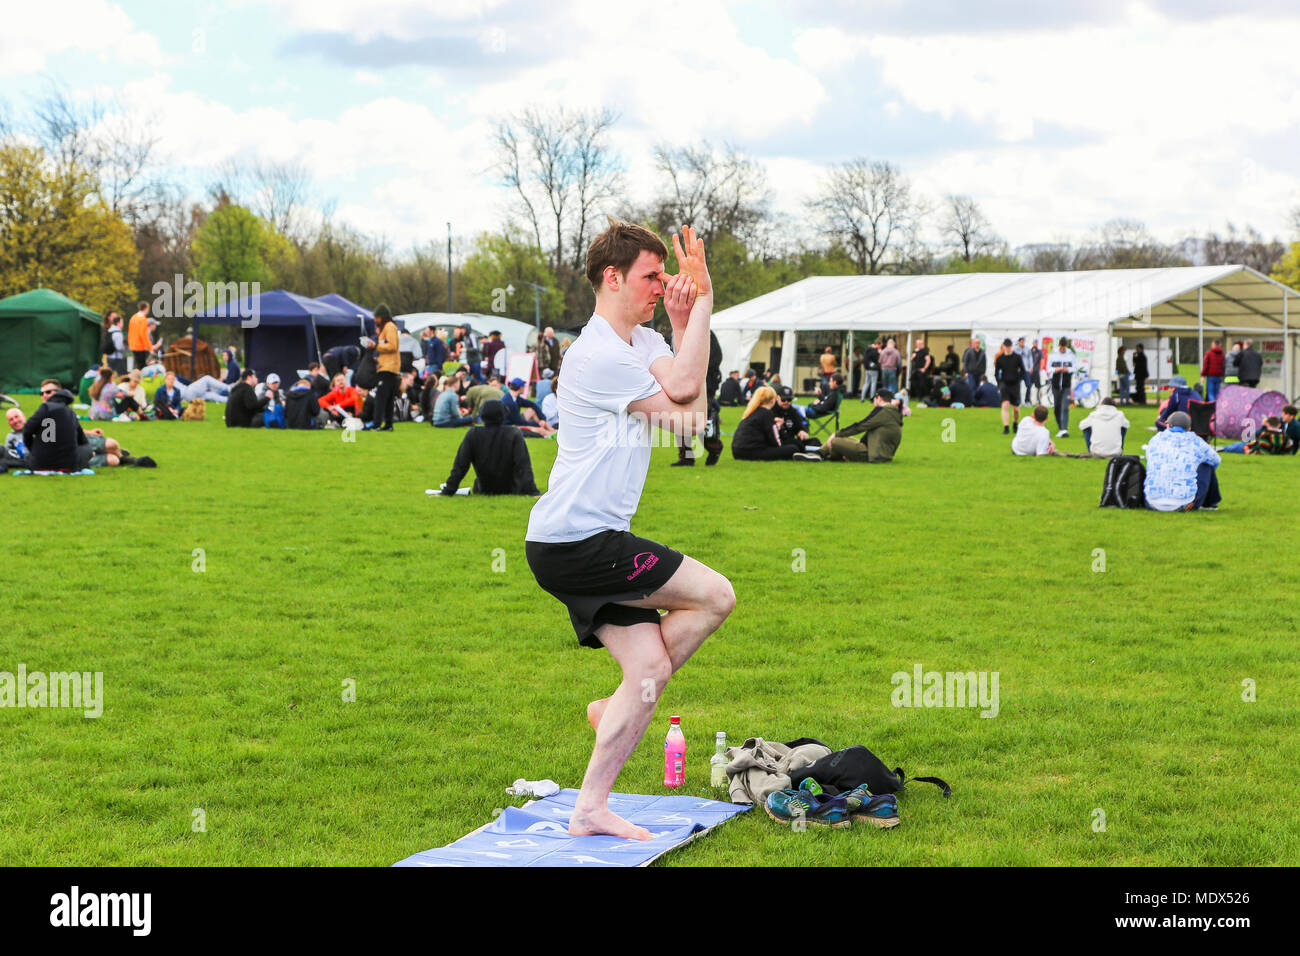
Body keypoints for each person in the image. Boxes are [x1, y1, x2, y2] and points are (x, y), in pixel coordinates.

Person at [524, 220, 734, 841]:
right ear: (612, 278)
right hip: (579, 542)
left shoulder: (638, 342)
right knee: (716, 595)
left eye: (664, 275)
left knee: (647, 671)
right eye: (651, 275)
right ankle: (620, 711)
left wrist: (679, 323)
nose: (662, 285)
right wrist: (705, 305)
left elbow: (686, 409)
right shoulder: (599, 355)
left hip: (582, 539)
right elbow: (690, 401)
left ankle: (590, 806)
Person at [440, 400, 541, 496]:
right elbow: (523, 465)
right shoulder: (513, 433)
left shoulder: (474, 434)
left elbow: (460, 465)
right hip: (513, 488)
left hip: (485, 488)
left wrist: (448, 490)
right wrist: (533, 491)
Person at [22, 381, 121, 470]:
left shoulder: (46, 410)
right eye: (41, 393)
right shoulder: (68, 412)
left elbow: (28, 430)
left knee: (111, 448)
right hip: (66, 461)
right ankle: (122, 457)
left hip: (48, 459)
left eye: (48, 392)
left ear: (57, 392)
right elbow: (81, 440)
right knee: (110, 453)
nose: (44, 395)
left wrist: (32, 449)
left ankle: (122, 457)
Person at [1144, 411, 1221, 511]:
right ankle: (1210, 503)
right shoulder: (1195, 441)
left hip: (1151, 502)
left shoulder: (1155, 439)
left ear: (1168, 426)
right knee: (1207, 465)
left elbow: (1149, 458)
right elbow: (1216, 460)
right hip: (1184, 504)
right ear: (1189, 428)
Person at [798, 390, 902, 463]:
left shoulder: (882, 411)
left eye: (874, 399)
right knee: (842, 439)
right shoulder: (895, 413)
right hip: (884, 454)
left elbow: (860, 426)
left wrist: (836, 434)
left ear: (878, 398)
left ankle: (819, 454)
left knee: (835, 440)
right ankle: (825, 454)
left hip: (872, 454)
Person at [730, 386, 799, 461]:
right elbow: (775, 442)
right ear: (773, 400)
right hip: (752, 451)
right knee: (793, 448)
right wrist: (778, 427)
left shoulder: (751, 411)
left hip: (737, 451)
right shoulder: (767, 414)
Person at [370, 304, 401, 431]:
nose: (375, 320)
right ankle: (388, 425)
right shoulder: (388, 327)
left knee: (381, 398)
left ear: (382, 317)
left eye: (376, 317)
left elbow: (392, 345)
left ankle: (377, 424)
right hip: (389, 366)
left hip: (388, 368)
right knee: (388, 399)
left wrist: (376, 346)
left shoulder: (389, 327)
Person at [993, 338, 1024, 434]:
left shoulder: (1017, 357)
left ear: (1012, 346)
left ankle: (1015, 423)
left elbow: (1022, 370)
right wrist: (999, 383)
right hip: (1004, 384)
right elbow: (996, 373)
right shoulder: (1000, 358)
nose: (1008, 348)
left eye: (1009, 346)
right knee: (1005, 405)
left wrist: (1018, 379)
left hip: (1015, 385)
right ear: (1003, 346)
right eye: (1006, 346)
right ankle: (1006, 427)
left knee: (1016, 408)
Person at [1047, 339, 1077, 436]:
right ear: (1059, 345)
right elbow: (1048, 368)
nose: (1062, 349)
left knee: (1065, 407)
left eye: (1064, 347)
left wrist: (1067, 369)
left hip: (1066, 385)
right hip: (1055, 385)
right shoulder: (1053, 354)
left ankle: (1064, 429)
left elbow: (1075, 368)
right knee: (1057, 407)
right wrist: (1056, 369)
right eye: (1061, 347)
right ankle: (1061, 427)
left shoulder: (1071, 355)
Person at [127, 300, 151, 370]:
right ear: (146, 308)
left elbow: (130, 332)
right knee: (142, 367)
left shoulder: (133, 318)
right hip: (140, 346)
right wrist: (149, 347)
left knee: (137, 366)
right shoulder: (143, 319)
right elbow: (143, 335)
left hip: (133, 345)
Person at [1012, 337, 1033, 405]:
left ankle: (1027, 401)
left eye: (1023, 341)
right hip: (1018, 370)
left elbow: (1030, 359)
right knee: (1018, 386)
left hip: (1026, 370)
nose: (1022, 343)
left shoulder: (1027, 349)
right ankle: (1019, 401)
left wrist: (1030, 368)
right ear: (1018, 342)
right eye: (1021, 341)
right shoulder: (1015, 349)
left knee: (1029, 385)